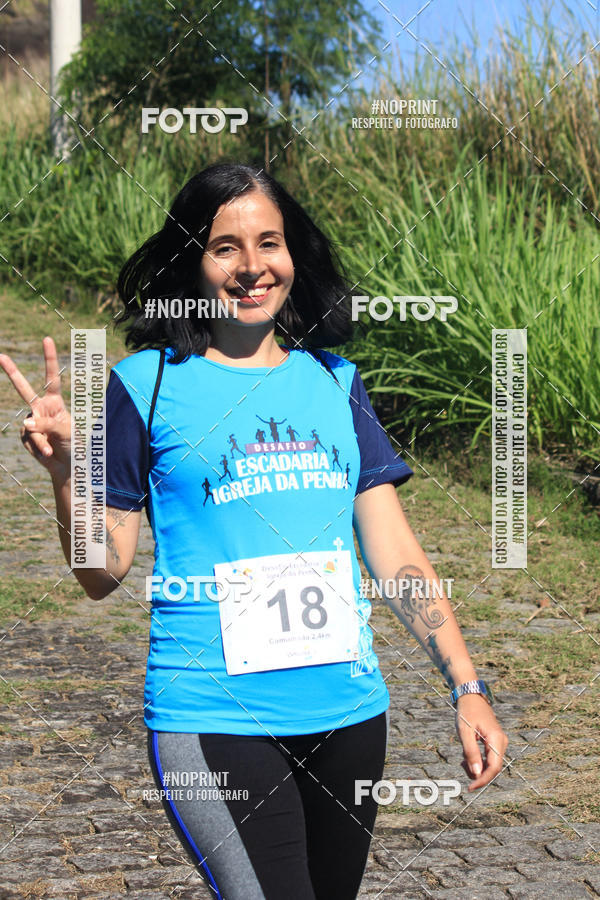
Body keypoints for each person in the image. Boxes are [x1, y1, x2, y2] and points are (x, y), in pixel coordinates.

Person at [0, 163, 509, 900]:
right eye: (225, 248)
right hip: (214, 718)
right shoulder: (146, 385)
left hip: (349, 716)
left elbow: (396, 554)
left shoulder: (336, 382)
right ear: (192, 264)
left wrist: (467, 686)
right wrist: (67, 475)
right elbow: (100, 572)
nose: (251, 267)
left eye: (269, 242)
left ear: (293, 254)